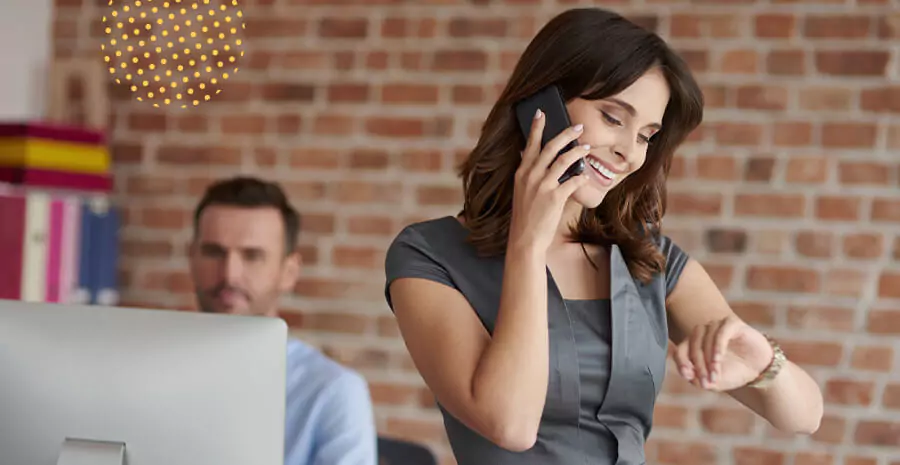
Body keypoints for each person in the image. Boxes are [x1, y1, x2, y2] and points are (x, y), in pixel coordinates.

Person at [383, 8, 824, 465]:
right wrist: (529, 245)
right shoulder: (428, 256)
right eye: (613, 118)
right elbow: (509, 424)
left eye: (646, 135)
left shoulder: (649, 259)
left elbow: (805, 416)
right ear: (540, 105)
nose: (629, 152)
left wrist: (764, 364)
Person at [188, 176, 377, 465]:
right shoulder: (144, 373)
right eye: (214, 252)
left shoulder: (334, 392)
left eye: (252, 256)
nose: (229, 274)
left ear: (288, 271)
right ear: (192, 258)